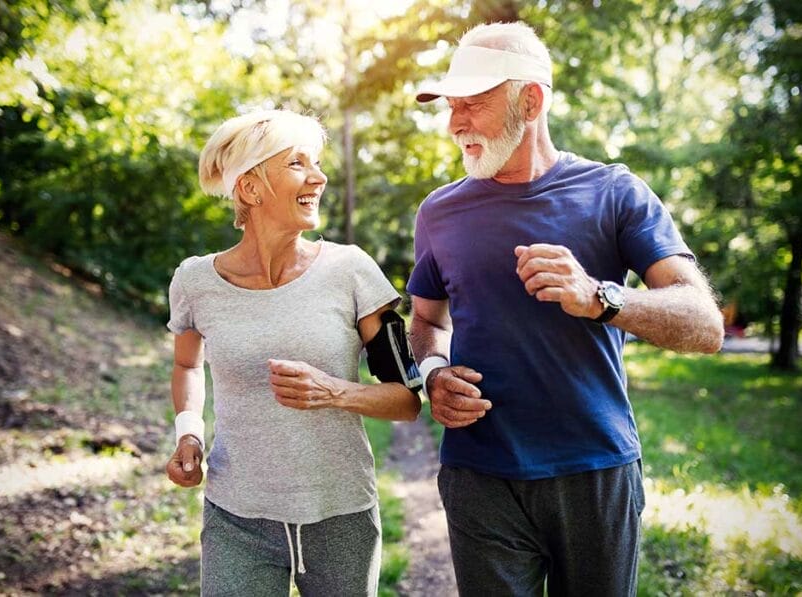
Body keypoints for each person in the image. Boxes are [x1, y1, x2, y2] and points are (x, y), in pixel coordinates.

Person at [407, 22, 724, 596]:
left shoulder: (615, 193)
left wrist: (601, 297)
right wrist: (432, 373)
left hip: (594, 469)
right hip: (479, 473)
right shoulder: (438, 212)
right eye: (451, 108)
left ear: (531, 101)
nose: (456, 125)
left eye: (473, 105)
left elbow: (704, 325)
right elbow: (427, 322)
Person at [164, 109, 422, 596]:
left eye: (318, 162)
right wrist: (189, 434)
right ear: (250, 188)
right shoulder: (195, 280)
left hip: (339, 515)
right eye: (298, 163)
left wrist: (335, 392)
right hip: (236, 515)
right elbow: (186, 363)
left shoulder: (353, 271)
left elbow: (407, 400)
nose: (319, 177)